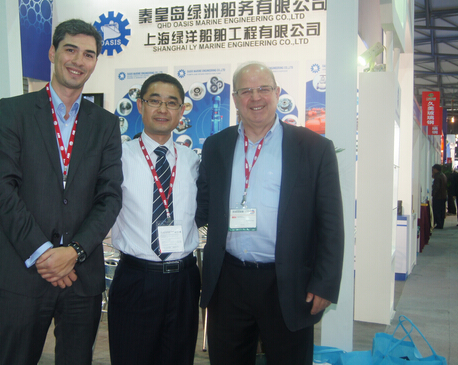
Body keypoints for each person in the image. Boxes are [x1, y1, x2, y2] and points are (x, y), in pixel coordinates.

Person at [0, 19, 123, 365]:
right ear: (52, 53)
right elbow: (2, 189)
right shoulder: (15, 111)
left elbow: (109, 196)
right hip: (22, 268)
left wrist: (74, 251)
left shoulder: (105, 124)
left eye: (89, 54)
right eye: (71, 50)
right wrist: (44, 253)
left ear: (95, 62)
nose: (78, 61)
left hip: (80, 274)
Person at [196, 62, 344, 365]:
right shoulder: (216, 146)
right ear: (235, 99)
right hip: (228, 280)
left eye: (263, 89)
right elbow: (203, 205)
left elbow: (331, 223)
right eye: (246, 91)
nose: (255, 98)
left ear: (277, 93)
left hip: (288, 282)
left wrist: (325, 283)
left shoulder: (314, 148)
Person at [107, 73, 200, 365]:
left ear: (182, 110)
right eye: (154, 101)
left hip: (184, 281)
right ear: (140, 105)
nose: (163, 109)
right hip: (136, 279)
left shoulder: (192, 161)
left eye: (172, 103)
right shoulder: (117, 158)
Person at [431, 164, 447, 230]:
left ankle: (438, 223)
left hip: (438, 197)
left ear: (435, 169)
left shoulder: (437, 177)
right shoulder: (443, 175)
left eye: (433, 170)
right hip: (443, 196)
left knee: (437, 210)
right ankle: (441, 223)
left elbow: (437, 187)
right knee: (441, 211)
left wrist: (433, 194)